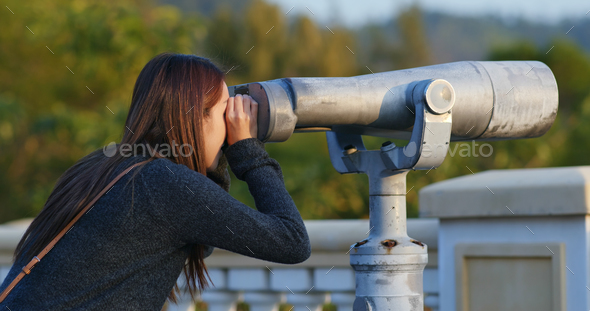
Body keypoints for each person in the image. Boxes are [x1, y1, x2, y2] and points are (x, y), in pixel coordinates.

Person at [0, 53, 311, 310]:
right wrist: (247, 149)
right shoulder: (165, 184)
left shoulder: (104, 163)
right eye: (223, 113)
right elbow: (291, 241)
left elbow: (201, 240)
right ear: (195, 118)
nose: (230, 124)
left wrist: (218, 159)